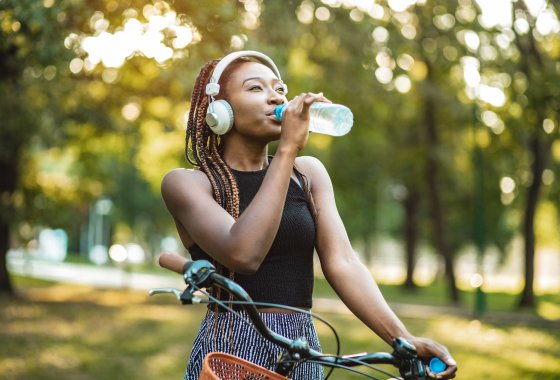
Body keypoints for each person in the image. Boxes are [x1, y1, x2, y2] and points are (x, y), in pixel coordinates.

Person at [160, 50, 458, 380]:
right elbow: (243, 253)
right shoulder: (187, 184)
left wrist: (403, 339)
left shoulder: (308, 174)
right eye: (256, 88)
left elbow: (343, 262)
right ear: (220, 111)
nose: (275, 96)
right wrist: (287, 148)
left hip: (302, 347)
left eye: (279, 88)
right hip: (229, 351)